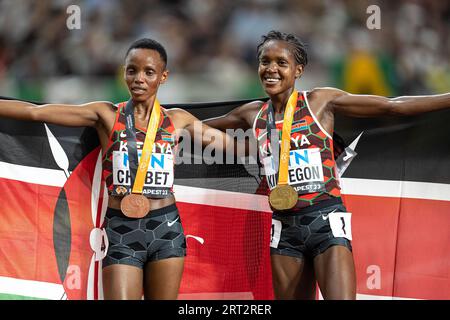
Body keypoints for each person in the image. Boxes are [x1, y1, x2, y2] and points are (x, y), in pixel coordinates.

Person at [204, 30, 450, 300]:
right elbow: (192, 128)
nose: (271, 69)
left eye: (281, 63)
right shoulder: (253, 114)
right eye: (265, 61)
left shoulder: (320, 102)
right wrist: (157, 122)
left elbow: (392, 107)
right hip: (284, 229)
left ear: (298, 70)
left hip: (326, 222)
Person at [0, 38, 231, 300]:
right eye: (132, 70)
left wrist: (270, 128)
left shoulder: (177, 120)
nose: (139, 78)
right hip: (122, 229)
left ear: (163, 77)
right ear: (124, 73)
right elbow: (35, 113)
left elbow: (234, 147)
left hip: (166, 228)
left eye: (149, 72)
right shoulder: (106, 115)